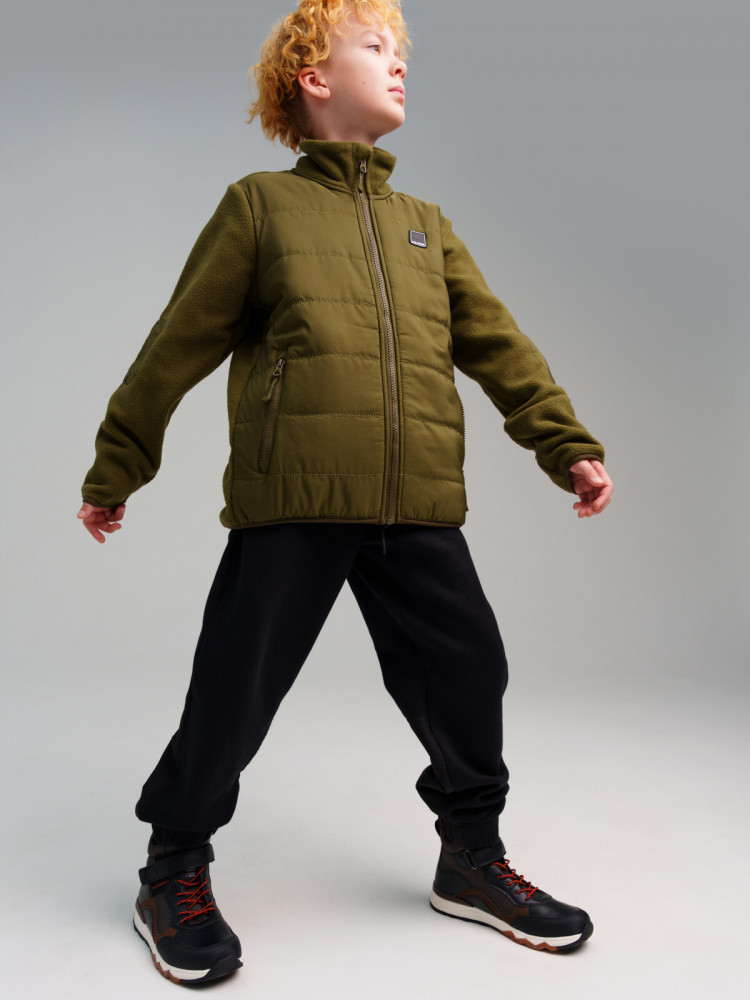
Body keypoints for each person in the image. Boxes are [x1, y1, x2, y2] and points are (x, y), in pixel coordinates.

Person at [78, 0, 613, 985]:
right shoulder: (260, 209)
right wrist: (120, 464)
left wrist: (564, 443)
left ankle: (470, 856)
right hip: (297, 495)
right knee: (237, 686)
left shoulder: (426, 227)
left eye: (401, 50)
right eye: (376, 46)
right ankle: (173, 866)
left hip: (417, 501)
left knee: (470, 670)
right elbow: (175, 344)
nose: (399, 62)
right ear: (315, 79)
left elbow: (498, 344)